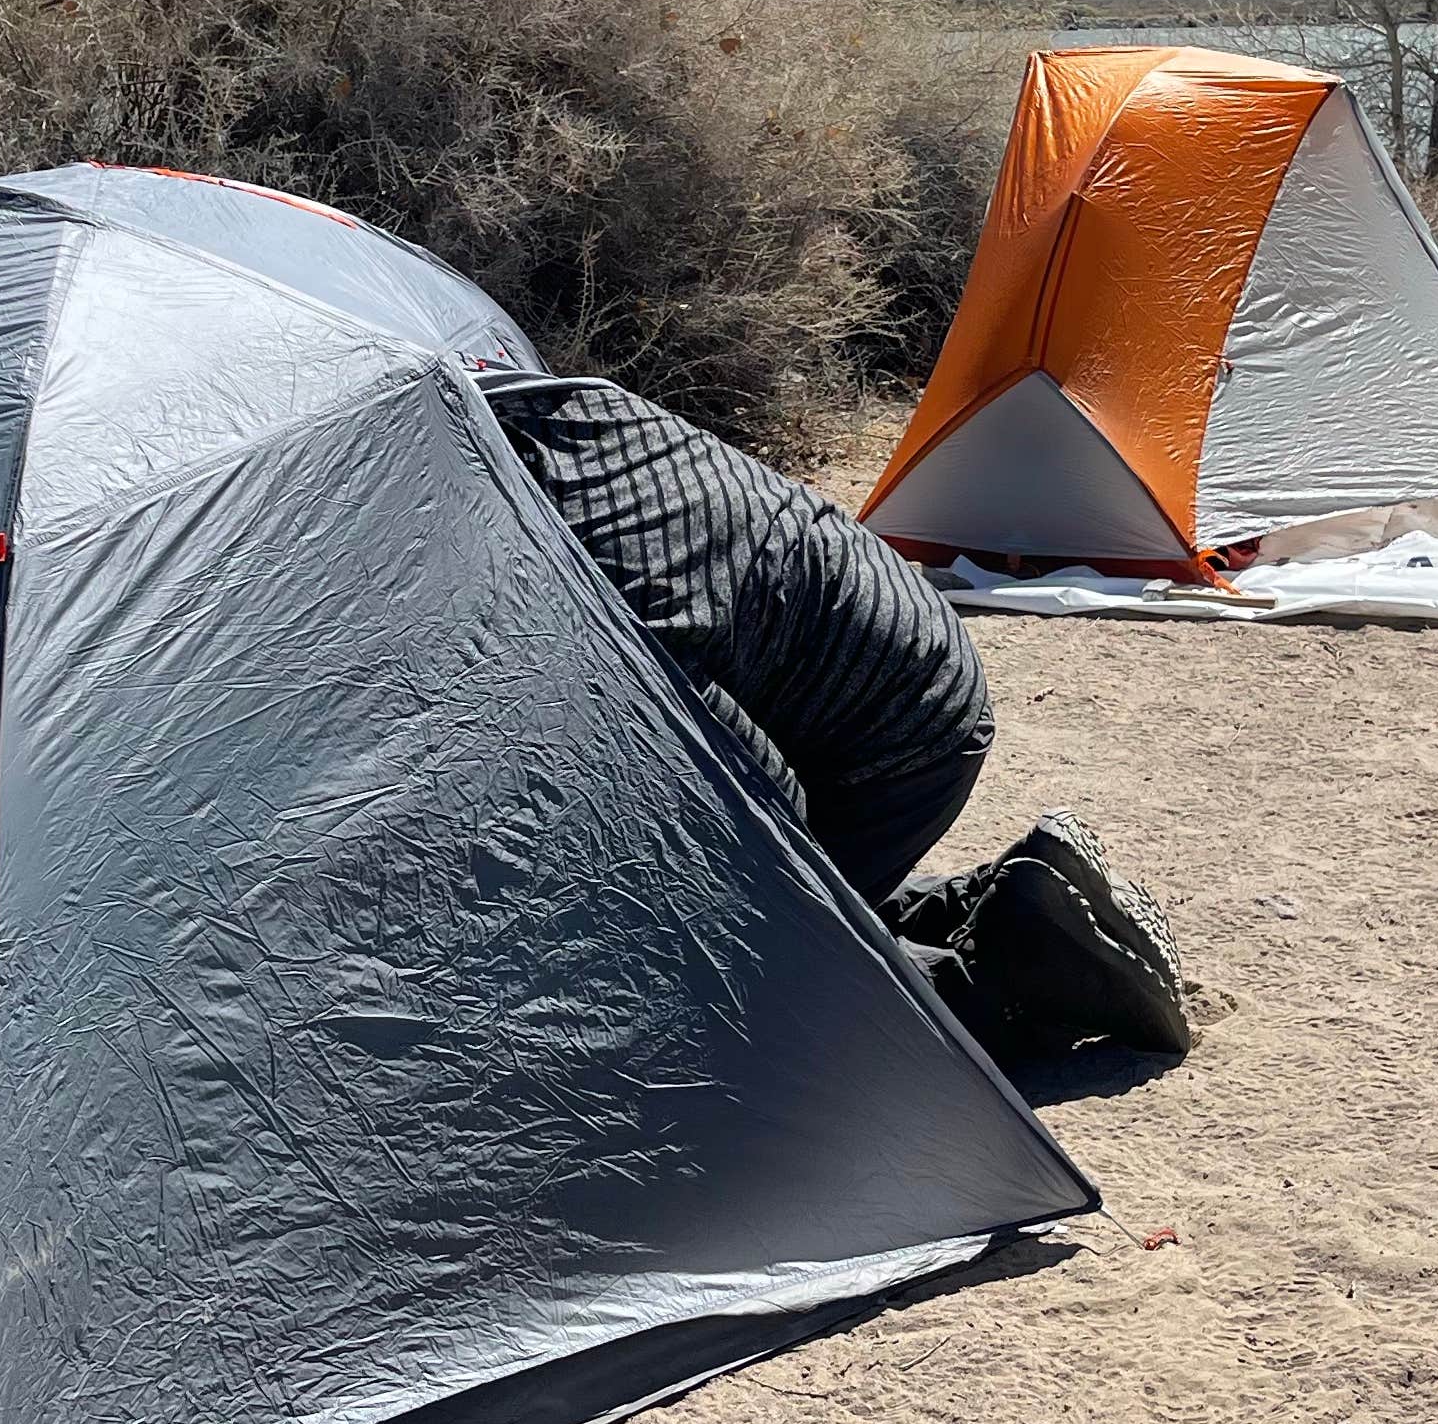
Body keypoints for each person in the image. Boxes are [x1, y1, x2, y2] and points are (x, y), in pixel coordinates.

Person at [486, 374, 1190, 1073]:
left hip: (898, 742)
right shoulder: (540, 408)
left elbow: (762, 803)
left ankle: (1021, 978)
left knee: (728, 987)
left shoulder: (605, 597)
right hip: (900, 655)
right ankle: (1005, 898)